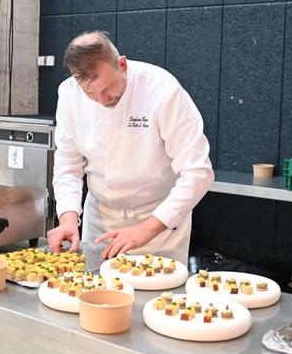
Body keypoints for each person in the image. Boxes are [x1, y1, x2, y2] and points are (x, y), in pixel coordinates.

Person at [46, 31, 214, 264]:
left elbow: (198, 172)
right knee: (96, 293)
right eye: (91, 94)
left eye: (107, 89)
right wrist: (67, 218)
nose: (102, 100)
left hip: (158, 224)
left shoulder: (162, 89)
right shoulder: (68, 94)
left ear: (122, 64)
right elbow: (68, 164)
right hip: (100, 222)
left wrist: (147, 229)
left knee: (156, 297)